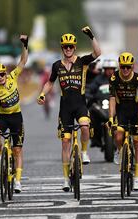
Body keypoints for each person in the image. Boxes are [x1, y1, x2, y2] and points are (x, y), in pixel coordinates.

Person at [37, 26, 101, 191]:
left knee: (85, 126)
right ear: (62, 48)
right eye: (65, 47)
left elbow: (98, 53)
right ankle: (66, 178)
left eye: (71, 46)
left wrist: (91, 36)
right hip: (65, 107)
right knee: (65, 142)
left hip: (80, 104)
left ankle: (84, 151)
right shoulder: (57, 65)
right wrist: (43, 94)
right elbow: (50, 82)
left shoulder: (82, 61)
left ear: (74, 48)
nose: (68, 49)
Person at [0, 34, 28, 193]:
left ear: (6, 73)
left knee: (17, 149)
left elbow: (23, 61)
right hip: (3, 117)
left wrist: (25, 45)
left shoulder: (12, 76)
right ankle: (0, 154)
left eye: (2, 74)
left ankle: (18, 181)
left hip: (16, 117)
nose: (0, 78)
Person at [107, 52, 138, 191]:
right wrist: (111, 118)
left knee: (137, 142)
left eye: (128, 67)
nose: (125, 70)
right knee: (117, 135)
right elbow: (112, 99)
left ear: (133, 67)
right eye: (123, 67)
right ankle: (119, 150)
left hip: (135, 111)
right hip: (121, 110)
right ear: (119, 66)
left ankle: (136, 177)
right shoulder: (114, 78)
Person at [86, 59, 117, 148]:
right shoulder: (98, 79)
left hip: (115, 105)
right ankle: (95, 138)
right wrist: (89, 95)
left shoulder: (118, 79)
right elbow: (90, 89)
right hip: (101, 105)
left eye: (112, 69)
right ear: (104, 69)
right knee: (91, 113)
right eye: (107, 69)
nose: (110, 71)